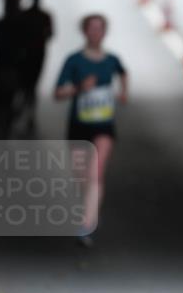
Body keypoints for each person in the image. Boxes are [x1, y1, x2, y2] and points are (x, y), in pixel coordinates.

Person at [54, 15, 128, 246]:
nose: (96, 32)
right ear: (84, 31)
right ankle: (90, 207)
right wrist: (78, 88)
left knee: (96, 172)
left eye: (100, 29)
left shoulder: (112, 60)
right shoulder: (74, 60)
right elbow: (57, 93)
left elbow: (123, 73)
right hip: (79, 125)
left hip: (104, 126)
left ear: (105, 32)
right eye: (92, 28)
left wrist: (124, 92)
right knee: (81, 176)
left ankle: (88, 223)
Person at [0, 0, 26, 137]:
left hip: (7, 66)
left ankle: (1, 127)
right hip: (10, 66)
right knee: (5, 98)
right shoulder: (18, 25)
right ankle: (3, 127)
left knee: (2, 99)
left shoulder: (0, 24)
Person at [18, 0, 54, 133]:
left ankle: (24, 111)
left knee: (27, 85)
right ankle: (27, 113)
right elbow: (50, 34)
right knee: (31, 85)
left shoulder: (25, 15)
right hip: (36, 54)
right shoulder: (44, 16)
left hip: (28, 54)